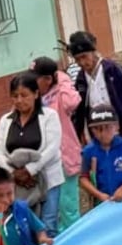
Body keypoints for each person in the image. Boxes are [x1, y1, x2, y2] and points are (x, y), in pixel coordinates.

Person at [0, 72, 64, 235]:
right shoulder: (6, 120)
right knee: (25, 227)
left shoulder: (49, 116)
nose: (19, 100)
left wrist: (30, 170)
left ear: (36, 94)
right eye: (15, 96)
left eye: (24, 95)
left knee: (48, 225)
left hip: (48, 179)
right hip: (18, 184)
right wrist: (13, 173)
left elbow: (52, 147)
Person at [34, 56, 84, 233]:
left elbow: (73, 102)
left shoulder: (59, 94)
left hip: (64, 157)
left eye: (36, 78)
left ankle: (77, 240)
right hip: (44, 162)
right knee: (51, 212)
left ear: (48, 79)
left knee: (69, 207)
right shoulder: (35, 98)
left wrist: (61, 79)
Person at [69, 30, 122, 139]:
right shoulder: (81, 79)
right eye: (77, 59)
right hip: (97, 134)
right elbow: (80, 110)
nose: (82, 62)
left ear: (93, 53)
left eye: (84, 57)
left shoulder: (112, 70)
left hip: (121, 131)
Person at [80, 106, 122, 205]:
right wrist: (98, 194)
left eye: (108, 127)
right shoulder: (88, 151)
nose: (103, 133)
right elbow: (83, 178)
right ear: (92, 130)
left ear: (116, 126)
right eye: (97, 129)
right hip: (102, 202)